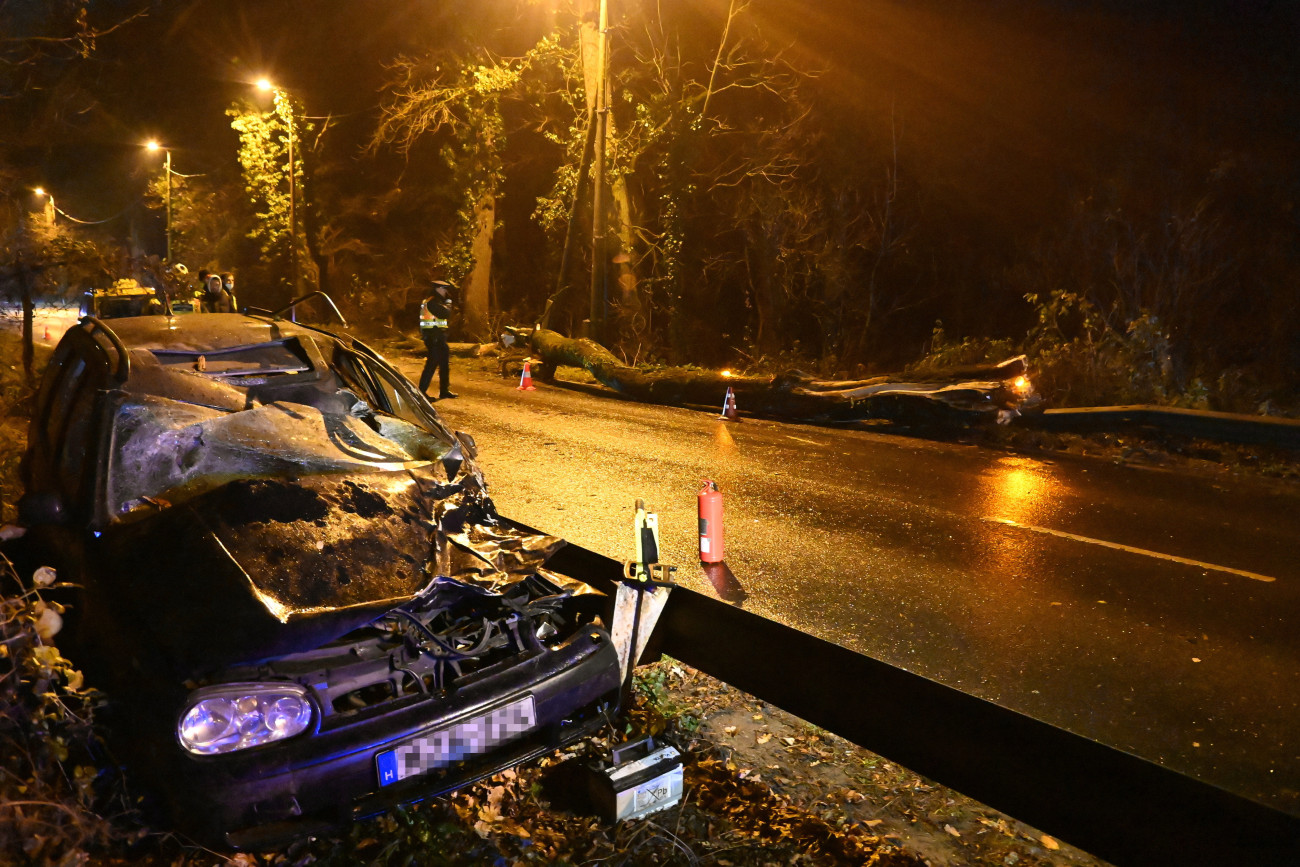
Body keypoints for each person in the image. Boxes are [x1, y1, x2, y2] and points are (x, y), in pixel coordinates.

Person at [418, 280, 456, 399]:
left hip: (438, 337)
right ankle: (421, 393)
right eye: (445, 289)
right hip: (433, 337)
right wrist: (449, 304)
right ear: (438, 289)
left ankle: (444, 391)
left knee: (444, 363)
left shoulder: (435, 301)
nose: (446, 292)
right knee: (431, 364)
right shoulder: (432, 302)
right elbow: (445, 313)